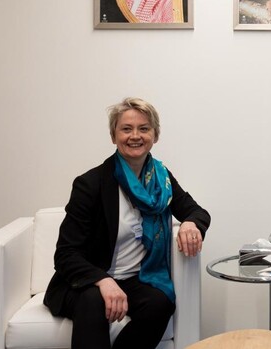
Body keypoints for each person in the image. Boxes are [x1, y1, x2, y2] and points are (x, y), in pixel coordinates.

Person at [43, 97, 210, 349]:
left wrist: (190, 223)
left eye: (144, 128)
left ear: (155, 135)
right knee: (94, 300)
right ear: (114, 136)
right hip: (87, 281)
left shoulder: (161, 180)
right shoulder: (91, 184)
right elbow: (66, 254)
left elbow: (196, 211)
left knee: (160, 303)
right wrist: (103, 281)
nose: (135, 136)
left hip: (134, 279)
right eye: (126, 129)